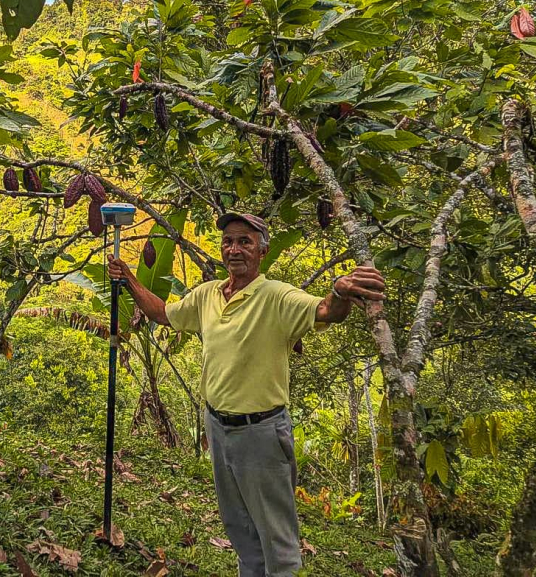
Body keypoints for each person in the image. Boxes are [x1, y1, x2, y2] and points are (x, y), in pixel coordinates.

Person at [107, 212, 385, 577]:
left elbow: (325, 310)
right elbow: (163, 313)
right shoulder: (207, 294)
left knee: (277, 542)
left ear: (262, 252)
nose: (234, 249)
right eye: (228, 241)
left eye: (245, 242)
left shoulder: (276, 295)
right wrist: (127, 277)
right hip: (218, 428)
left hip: (261, 434)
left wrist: (340, 291)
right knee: (240, 530)